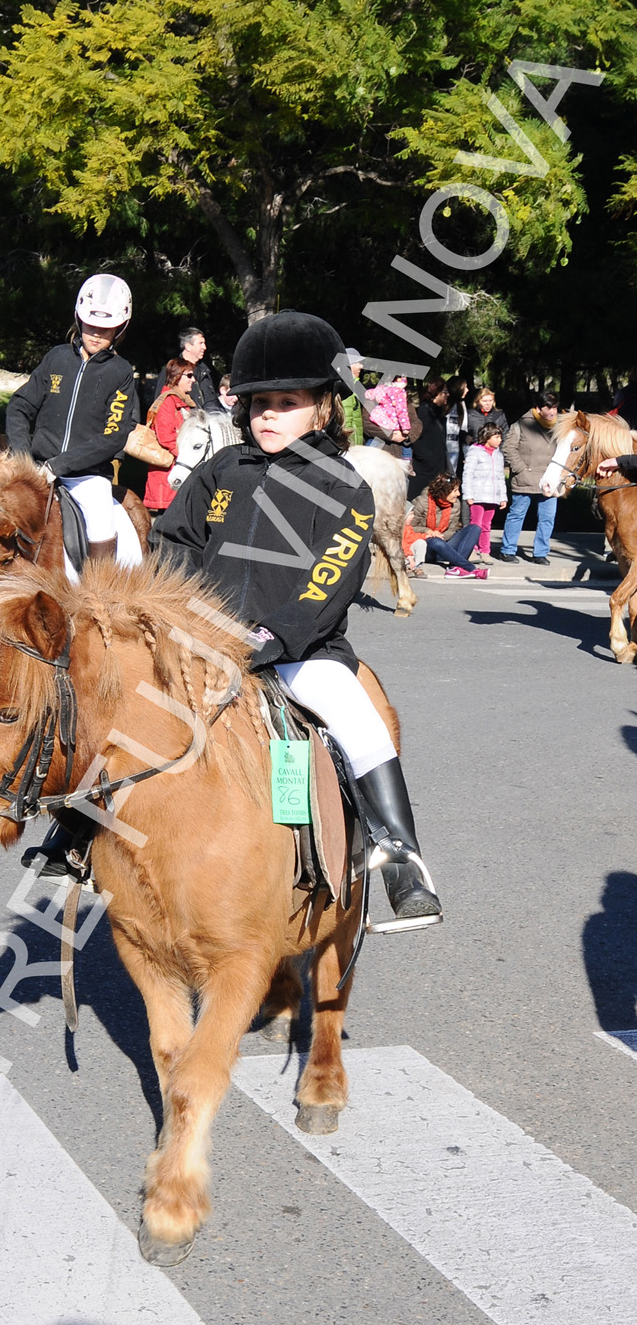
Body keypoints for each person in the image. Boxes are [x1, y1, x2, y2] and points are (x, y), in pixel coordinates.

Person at [150, 310, 442, 924]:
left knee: (356, 717)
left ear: (325, 407)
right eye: (260, 402)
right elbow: (173, 544)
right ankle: (78, 828)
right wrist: (180, 617)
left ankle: (402, 860)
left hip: (300, 653)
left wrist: (271, 636)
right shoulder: (219, 471)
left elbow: (330, 581)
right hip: (206, 641)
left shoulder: (343, 486)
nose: (269, 414)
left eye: (287, 401)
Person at [6, 273, 139, 561]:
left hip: (87, 478)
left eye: (106, 328)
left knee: (100, 524)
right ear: (79, 319)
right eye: (91, 325)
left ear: (120, 328)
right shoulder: (55, 358)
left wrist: (60, 465)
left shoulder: (122, 372)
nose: (96, 334)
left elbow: (114, 435)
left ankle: (98, 592)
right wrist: (23, 458)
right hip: (35, 469)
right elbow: (20, 405)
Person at [498, 390, 559, 565]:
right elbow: (509, 449)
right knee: (517, 515)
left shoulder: (559, 425)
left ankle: (540, 553)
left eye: (554, 407)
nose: (552, 412)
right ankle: (507, 550)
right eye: (548, 407)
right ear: (538, 408)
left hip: (549, 480)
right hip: (525, 478)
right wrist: (521, 469)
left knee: (547, 518)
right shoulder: (522, 424)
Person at [403, 473, 488, 579]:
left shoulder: (455, 504)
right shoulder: (421, 502)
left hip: (444, 542)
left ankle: (455, 567)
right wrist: (428, 531)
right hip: (425, 544)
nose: (458, 494)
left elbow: (453, 529)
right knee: (435, 541)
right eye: (455, 491)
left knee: (474, 528)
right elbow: (408, 527)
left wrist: (441, 535)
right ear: (443, 492)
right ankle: (470, 568)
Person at [143, 359, 196, 513]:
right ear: (177, 376)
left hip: (176, 469)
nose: (193, 380)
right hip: (168, 472)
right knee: (166, 521)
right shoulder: (168, 401)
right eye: (190, 375)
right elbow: (166, 437)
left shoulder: (181, 401)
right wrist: (187, 457)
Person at [461, 422, 506, 560]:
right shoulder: (475, 452)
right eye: (497, 437)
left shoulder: (498, 455)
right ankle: (472, 549)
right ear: (487, 437)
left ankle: (485, 551)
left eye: (500, 437)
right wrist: (468, 494)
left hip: (491, 497)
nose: (500, 440)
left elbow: (500, 477)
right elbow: (467, 473)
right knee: (476, 524)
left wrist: (502, 497)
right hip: (477, 496)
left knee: (487, 525)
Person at [153, 327, 220, 410]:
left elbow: (213, 402)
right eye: (201, 343)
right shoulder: (171, 370)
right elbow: (160, 404)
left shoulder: (205, 371)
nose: (204, 347)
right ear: (188, 346)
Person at [408, 378, 451, 499]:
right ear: (436, 393)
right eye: (445, 392)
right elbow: (416, 438)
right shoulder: (423, 412)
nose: (448, 395)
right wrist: (427, 458)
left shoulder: (439, 414)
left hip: (437, 466)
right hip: (424, 468)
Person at [444, 375, 469, 476]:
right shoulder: (444, 403)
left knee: (451, 477)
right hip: (441, 448)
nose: (467, 390)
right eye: (465, 387)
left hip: (454, 450)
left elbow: (463, 429)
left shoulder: (461, 405)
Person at [341, 348, 365, 445]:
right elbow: (346, 421)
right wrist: (350, 446)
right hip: (350, 446)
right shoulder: (346, 386)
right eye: (357, 362)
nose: (361, 366)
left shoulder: (352, 384)